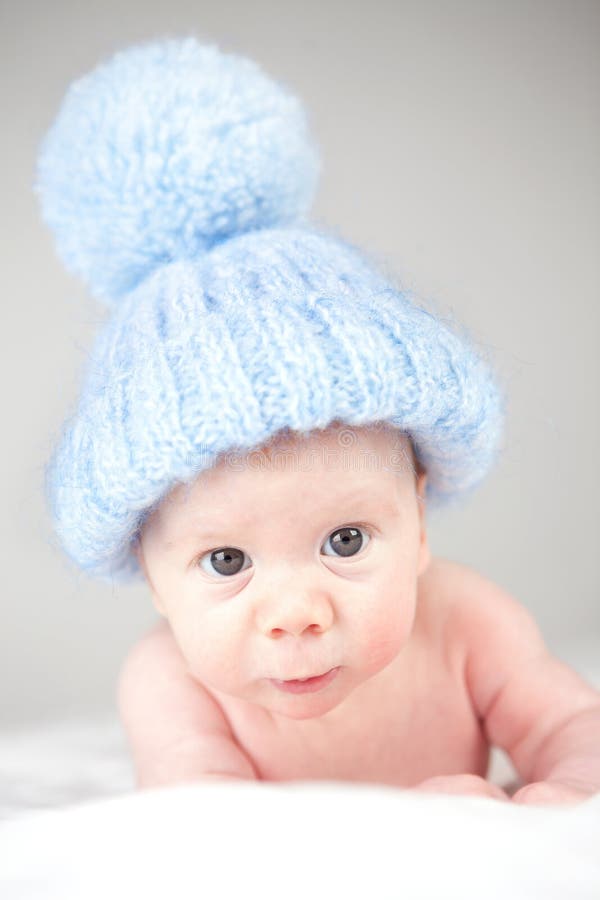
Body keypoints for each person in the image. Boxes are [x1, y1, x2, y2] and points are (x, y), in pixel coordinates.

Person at [36, 36, 600, 805]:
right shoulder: (170, 683)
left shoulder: (470, 625)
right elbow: (206, 832)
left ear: (421, 521)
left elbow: (574, 729)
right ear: (153, 577)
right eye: (227, 561)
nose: (297, 615)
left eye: (346, 541)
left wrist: (560, 797)